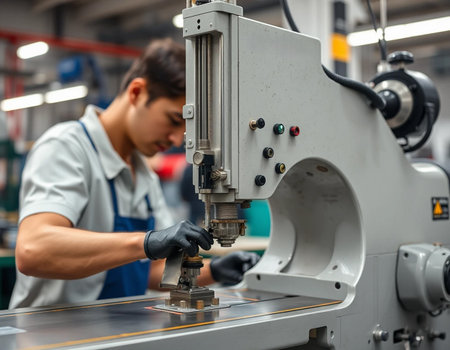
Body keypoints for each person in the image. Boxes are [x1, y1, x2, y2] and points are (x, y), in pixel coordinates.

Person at [9, 38, 259, 309]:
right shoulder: (67, 146)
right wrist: (147, 242)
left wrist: (216, 271)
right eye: (174, 120)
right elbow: (33, 250)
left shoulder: (144, 174)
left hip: (115, 332)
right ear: (137, 92)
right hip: (52, 337)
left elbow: (151, 271)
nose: (177, 139)